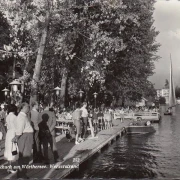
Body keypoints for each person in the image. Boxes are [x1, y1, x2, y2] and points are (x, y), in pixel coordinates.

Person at [12, 102, 34, 179]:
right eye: (28, 107)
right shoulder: (21, 117)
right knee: (25, 156)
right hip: (25, 137)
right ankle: (22, 175)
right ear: (23, 108)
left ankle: (21, 174)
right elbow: (20, 130)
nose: (29, 108)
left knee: (24, 156)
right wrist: (16, 137)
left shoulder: (23, 116)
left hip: (26, 136)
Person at [4, 104, 18, 173]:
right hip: (13, 133)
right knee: (13, 150)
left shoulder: (7, 116)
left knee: (8, 150)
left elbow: (7, 126)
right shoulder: (15, 117)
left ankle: (9, 167)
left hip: (8, 133)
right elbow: (16, 127)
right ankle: (11, 167)